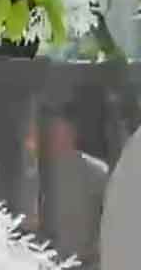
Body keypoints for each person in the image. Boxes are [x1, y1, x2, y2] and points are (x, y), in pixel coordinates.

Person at [39, 103, 110, 267]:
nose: (54, 138)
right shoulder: (41, 172)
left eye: (59, 132)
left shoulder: (95, 171)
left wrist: (96, 250)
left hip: (87, 263)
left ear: (72, 133)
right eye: (51, 133)